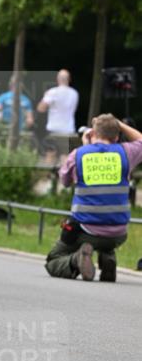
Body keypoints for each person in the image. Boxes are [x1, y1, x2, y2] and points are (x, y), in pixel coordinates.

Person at [45, 114, 142, 282]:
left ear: (92, 133)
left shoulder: (78, 155)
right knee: (105, 241)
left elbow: (64, 181)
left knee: (54, 259)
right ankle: (107, 259)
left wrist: (85, 147)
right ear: (117, 136)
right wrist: (118, 123)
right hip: (118, 232)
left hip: (85, 229)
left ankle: (76, 260)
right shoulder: (126, 153)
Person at [37, 69, 79, 165]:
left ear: (57, 79)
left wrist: (45, 96)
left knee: (50, 154)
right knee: (65, 156)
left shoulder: (52, 92)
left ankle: (47, 177)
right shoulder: (75, 93)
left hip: (53, 129)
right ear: (69, 79)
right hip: (68, 129)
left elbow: (41, 108)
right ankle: (64, 179)